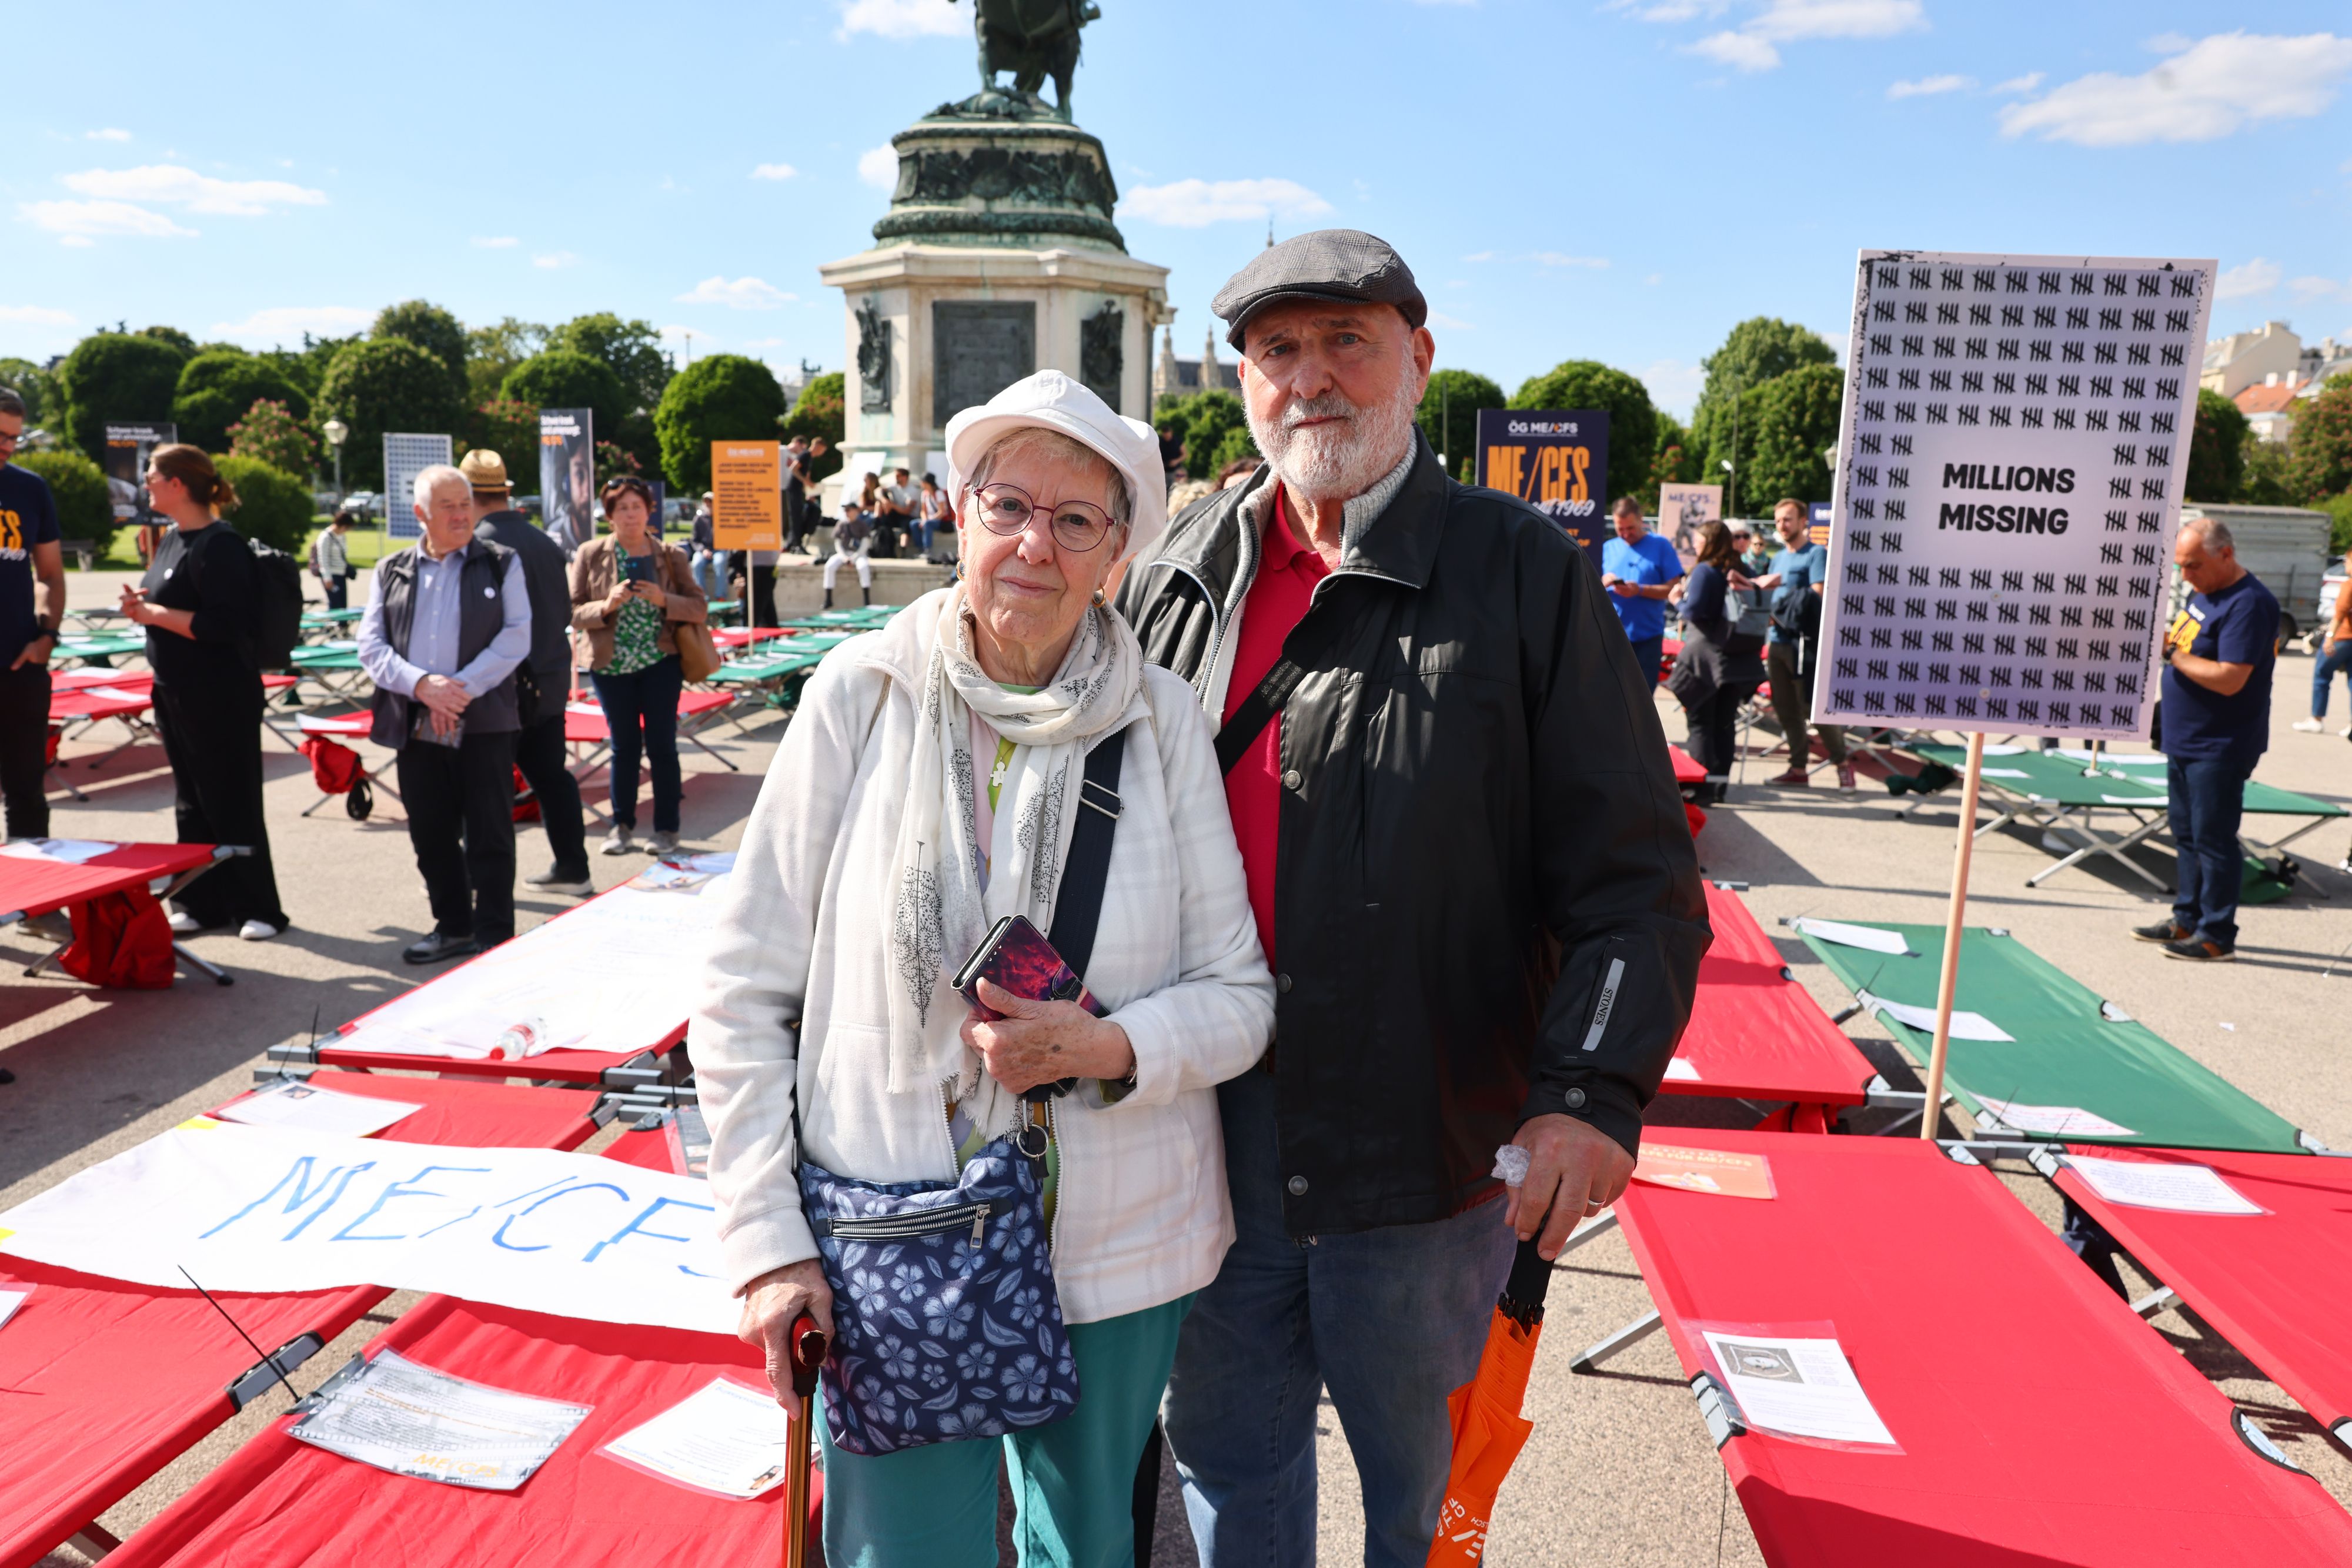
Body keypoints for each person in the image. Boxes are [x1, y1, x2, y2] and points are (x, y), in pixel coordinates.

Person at [1115, 230, 1708, 1567]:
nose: (1311, 378)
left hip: (1427, 1149)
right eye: (1279, 350)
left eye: (1348, 341)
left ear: (1419, 360)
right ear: (1242, 378)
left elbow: (1636, 879)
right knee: (1228, 1473)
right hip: (1205, 1136)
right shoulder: (1178, 574)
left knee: (1422, 1503)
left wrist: (1588, 1093)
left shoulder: (1522, 572)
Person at [697, 368, 1272, 1568]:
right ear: (958, 513)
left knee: (1086, 1548)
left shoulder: (1162, 719)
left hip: (1117, 1238)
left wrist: (1108, 1045)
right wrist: (767, 1242)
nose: (1034, 544)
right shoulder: (861, 694)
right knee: (904, 1552)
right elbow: (745, 985)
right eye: (1007, 506)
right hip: (891, 1228)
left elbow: (1239, 998)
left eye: (1076, 520)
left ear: (1118, 552)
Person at [358, 464, 532, 964]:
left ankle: (495, 936)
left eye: (466, 504)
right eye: (448, 506)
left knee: (490, 832)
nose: (461, 515)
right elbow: (371, 644)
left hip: (485, 719)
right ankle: (452, 926)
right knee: (430, 831)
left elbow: (517, 635)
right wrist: (422, 686)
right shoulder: (391, 569)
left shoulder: (501, 562)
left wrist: (457, 691)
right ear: (421, 513)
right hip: (414, 720)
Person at [118, 446, 288, 940]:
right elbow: (171, 600)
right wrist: (141, 607)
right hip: (174, 688)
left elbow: (224, 625)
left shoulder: (223, 545)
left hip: (221, 693)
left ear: (178, 484)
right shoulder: (172, 538)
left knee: (232, 798)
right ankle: (199, 900)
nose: (145, 485)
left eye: (152, 477)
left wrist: (154, 615)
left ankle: (260, 908)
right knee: (191, 800)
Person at [2134, 516, 2278, 963]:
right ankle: (2187, 918)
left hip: (2219, 743)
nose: (2186, 575)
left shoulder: (2248, 603)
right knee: (2186, 833)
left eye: (2193, 565)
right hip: (2186, 737)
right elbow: (2188, 647)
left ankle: (2216, 934)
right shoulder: (2204, 593)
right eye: (2181, 565)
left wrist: (2171, 653)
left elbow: (2230, 678)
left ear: (2226, 554)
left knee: (2214, 839)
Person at [463, 449, 592, 898]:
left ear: (470, 496)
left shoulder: (480, 545)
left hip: (504, 686)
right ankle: (573, 866)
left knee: (487, 785)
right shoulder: (543, 540)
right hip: (549, 679)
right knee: (551, 777)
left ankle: (477, 877)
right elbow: (562, 612)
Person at [570, 475, 707, 857]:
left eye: (636, 507)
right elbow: (572, 612)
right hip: (611, 666)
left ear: (649, 511)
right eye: (621, 508)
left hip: (660, 662)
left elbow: (699, 608)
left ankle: (667, 829)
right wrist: (606, 605)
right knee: (624, 746)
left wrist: (665, 600)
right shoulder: (590, 553)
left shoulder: (671, 555)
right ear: (609, 515)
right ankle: (621, 826)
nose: (630, 515)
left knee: (662, 745)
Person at [1745, 497, 1852, 790]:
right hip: (1776, 642)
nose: (1782, 525)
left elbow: (1817, 594)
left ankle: (1843, 764)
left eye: (1788, 519)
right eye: (1779, 520)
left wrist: (1782, 609)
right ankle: (1798, 768)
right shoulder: (1778, 557)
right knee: (1785, 709)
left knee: (1811, 708)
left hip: (1803, 645)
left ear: (1804, 522)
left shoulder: (1816, 554)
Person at [0, 388, 64, 842]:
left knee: (26, 793)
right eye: (0, 436)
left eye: (14, 438)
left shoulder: (30, 488)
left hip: (19, 663)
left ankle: (35, 885)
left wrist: (47, 636)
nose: (7, 446)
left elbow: (51, 575)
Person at [1665, 521, 1768, 804]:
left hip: (1706, 659)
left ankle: (1701, 788)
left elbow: (1694, 611)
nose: (1695, 544)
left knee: (1700, 723)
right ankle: (1719, 787)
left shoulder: (1705, 571)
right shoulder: (1742, 570)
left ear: (1709, 541)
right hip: (1738, 659)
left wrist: (1677, 600)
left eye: (1698, 539)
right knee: (1724, 724)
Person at [1599, 495, 1685, 684]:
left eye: (1630, 528)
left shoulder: (1661, 545)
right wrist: (1603, 582)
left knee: (1643, 695)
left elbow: (1674, 589)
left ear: (1641, 520)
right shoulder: (1608, 548)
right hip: (1612, 635)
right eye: (1620, 529)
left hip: (1648, 638)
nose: (1626, 534)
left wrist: (1639, 590)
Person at [2291, 551, 2352, 735]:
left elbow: (2340, 614)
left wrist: (2330, 637)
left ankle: (2316, 719)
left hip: (2342, 638)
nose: (2345, 564)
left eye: (2348, 561)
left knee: (2322, 675)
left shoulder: (2349, 585)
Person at [824, 499, 874, 609]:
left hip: (858, 554)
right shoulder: (842, 524)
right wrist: (844, 557)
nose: (846, 512)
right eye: (845, 510)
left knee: (863, 567)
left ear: (856, 511)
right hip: (844, 554)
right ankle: (828, 599)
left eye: (849, 510)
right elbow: (838, 544)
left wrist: (854, 558)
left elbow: (865, 544)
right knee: (829, 566)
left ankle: (867, 601)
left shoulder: (862, 525)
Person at [312, 511, 354, 611]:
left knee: (343, 605)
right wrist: (327, 578)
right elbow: (323, 559)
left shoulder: (341, 536)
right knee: (335, 605)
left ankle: (343, 622)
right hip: (331, 575)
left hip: (341, 574)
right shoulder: (325, 537)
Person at [690, 490, 726, 601]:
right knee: (697, 564)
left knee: (720, 563)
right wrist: (703, 550)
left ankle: (720, 595)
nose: (708, 504)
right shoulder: (699, 519)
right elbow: (694, 540)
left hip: (719, 549)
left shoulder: (722, 518)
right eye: (706, 501)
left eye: (711, 501)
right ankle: (701, 596)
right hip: (703, 550)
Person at [782, 434, 814, 556]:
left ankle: (791, 543)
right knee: (795, 517)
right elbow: (794, 469)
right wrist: (805, 482)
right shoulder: (804, 454)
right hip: (791, 489)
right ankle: (794, 544)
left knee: (796, 517)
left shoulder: (802, 455)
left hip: (794, 489)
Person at [879, 465, 921, 557]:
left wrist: (892, 505)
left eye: (898, 476)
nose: (896, 478)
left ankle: (903, 549)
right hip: (897, 514)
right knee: (885, 519)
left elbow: (907, 511)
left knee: (906, 526)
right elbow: (878, 490)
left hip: (910, 516)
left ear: (905, 477)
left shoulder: (913, 491)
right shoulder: (894, 487)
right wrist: (884, 500)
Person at [918, 471, 951, 563]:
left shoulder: (939, 493)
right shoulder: (924, 494)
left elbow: (942, 512)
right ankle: (920, 548)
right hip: (929, 520)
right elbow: (923, 511)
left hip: (940, 521)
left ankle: (927, 550)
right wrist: (924, 520)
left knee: (928, 524)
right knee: (913, 524)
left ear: (926, 482)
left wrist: (928, 520)